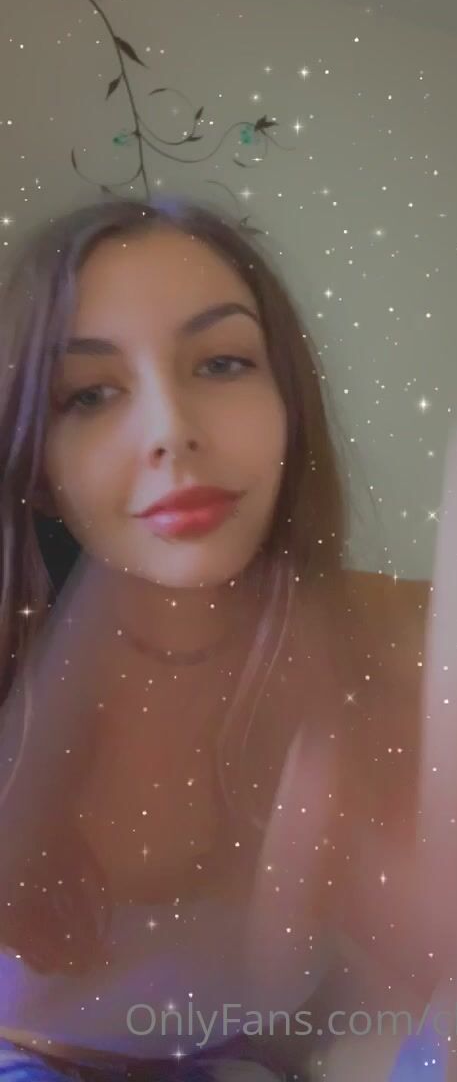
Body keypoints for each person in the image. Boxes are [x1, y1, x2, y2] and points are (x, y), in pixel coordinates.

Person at [0, 195, 424, 1082]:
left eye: (223, 362)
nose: (171, 432)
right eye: (90, 394)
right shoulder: (35, 659)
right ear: (35, 459)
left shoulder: (359, 638)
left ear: (288, 402)